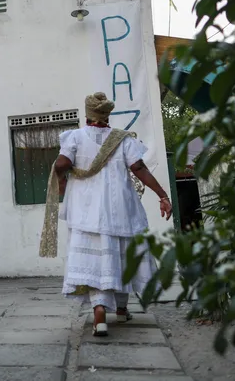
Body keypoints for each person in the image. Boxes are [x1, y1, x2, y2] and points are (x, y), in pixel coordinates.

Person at [39, 92, 172, 337]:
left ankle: (99, 314)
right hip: (120, 210)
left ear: (88, 114)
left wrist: (62, 180)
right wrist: (162, 195)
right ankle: (121, 310)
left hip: (85, 211)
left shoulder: (75, 138)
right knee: (120, 256)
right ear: (107, 114)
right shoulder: (122, 139)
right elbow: (139, 168)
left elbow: (60, 164)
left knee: (96, 263)